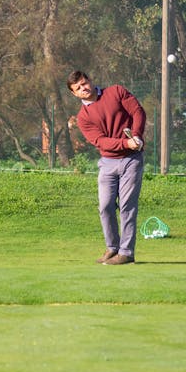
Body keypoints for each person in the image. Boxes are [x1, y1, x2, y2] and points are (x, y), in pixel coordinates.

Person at [67, 70, 146, 265]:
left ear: (90, 80)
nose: (83, 88)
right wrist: (125, 143)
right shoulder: (83, 117)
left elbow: (137, 111)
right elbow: (101, 141)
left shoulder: (116, 92)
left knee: (128, 206)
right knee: (105, 206)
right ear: (74, 93)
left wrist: (136, 136)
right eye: (78, 88)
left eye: (84, 83)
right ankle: (112, 248)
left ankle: (126, 253)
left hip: (131, 159)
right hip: (108, 162)